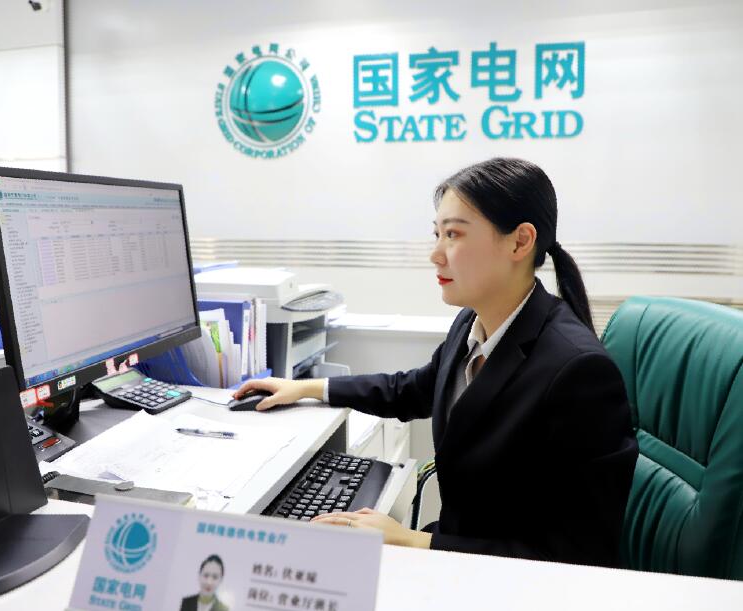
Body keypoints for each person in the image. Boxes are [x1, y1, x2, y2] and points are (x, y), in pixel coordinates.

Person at [233, 157, 638, 568]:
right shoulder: (471, 323)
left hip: (505, 581)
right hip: (457, 555)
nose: (435, 255)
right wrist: (308, 388)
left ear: (520, 242)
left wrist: (415, 542)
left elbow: (576, 557)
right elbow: (415, 389)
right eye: (437, 233)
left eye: (454, 234)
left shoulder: (578, 371)